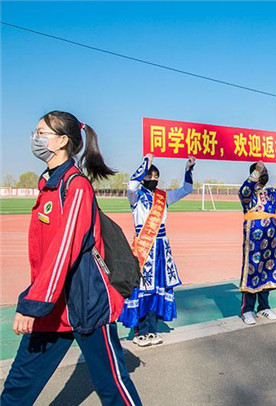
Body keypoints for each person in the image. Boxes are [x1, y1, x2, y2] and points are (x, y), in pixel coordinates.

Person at [1, 111, 141, 405]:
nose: (35, 138)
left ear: (63, 140)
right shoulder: (49, 184)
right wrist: (42, 301)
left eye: (42, 133)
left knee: (112, 387)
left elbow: (63, 252)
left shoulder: (76, 187)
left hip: (86, 302)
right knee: (18, 386)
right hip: (53, 304)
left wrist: (33, 304)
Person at [118, 154, 196, 347]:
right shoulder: (136, 196)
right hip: (143, 248)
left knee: (157, 288)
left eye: (156, 177)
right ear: (143, 177)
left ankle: (152, 330)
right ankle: (140, 332)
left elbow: (186, 189)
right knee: (142, 289)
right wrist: (146, 163)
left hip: (161, 249)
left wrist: (188, 169)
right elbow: (131, 186)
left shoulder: (163, 196)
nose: (153, 179)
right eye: (149, 176)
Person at [238, 160, 276, 325]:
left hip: (271, 240)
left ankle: (263, 307)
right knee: (252, 270)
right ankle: (247, 310)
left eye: (265, 170)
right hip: (254, 240)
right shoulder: (249, 195)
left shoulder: (272, 193)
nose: (265, 173)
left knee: (266, 271)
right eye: (262, 171)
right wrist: (256, 172)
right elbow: (244, 191)